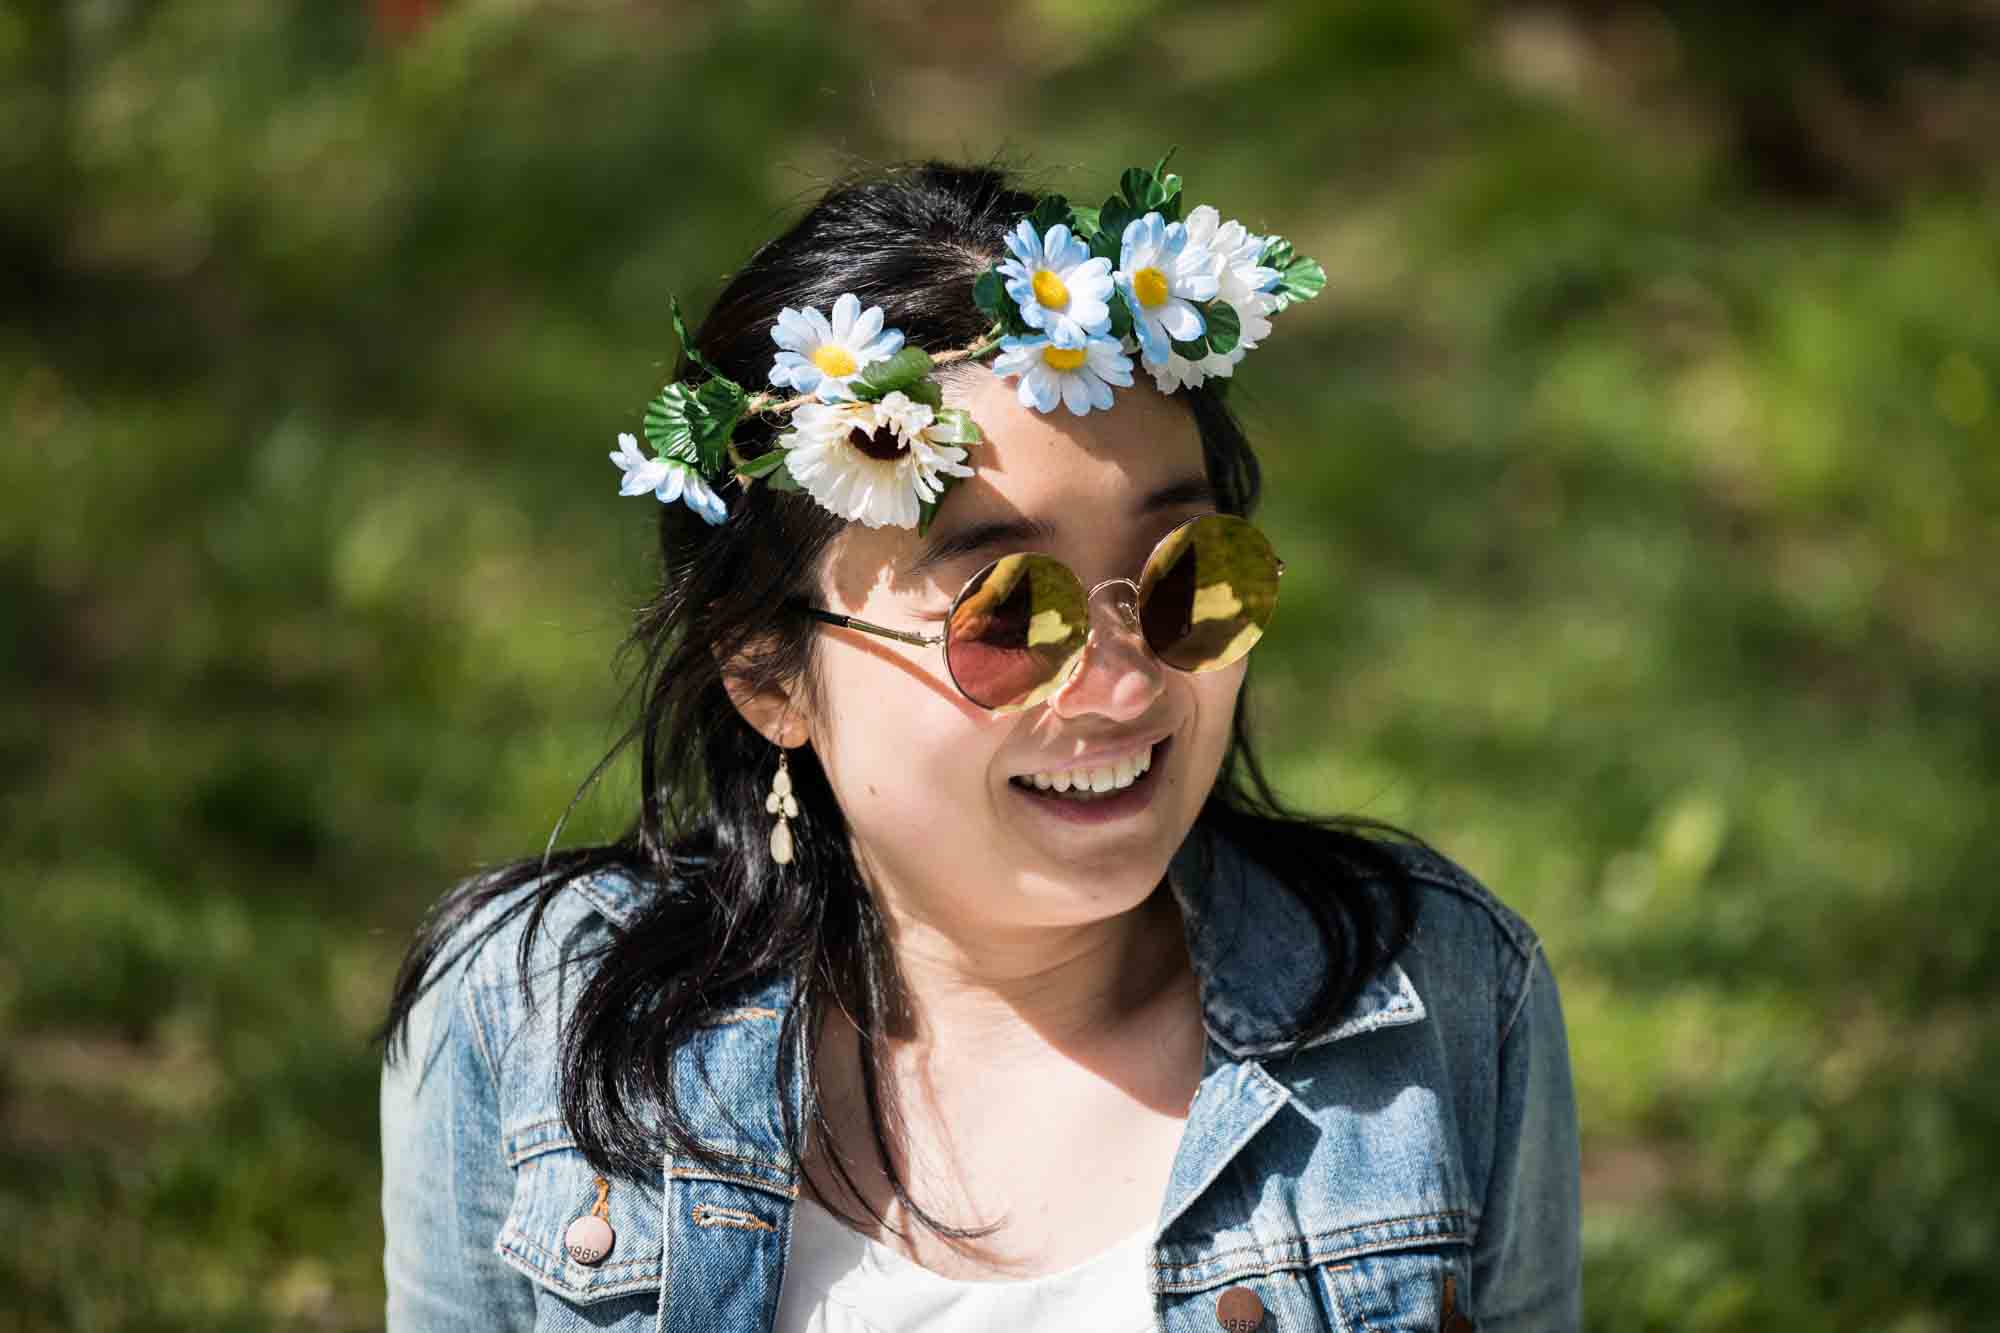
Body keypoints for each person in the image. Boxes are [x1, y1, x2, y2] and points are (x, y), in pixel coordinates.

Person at [376, 155, 1582, 1333]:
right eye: (1007, 612)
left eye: (1184, 578)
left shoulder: (1442, 998)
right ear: (763, 670)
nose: (1119, 685)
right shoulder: (519, 1016)